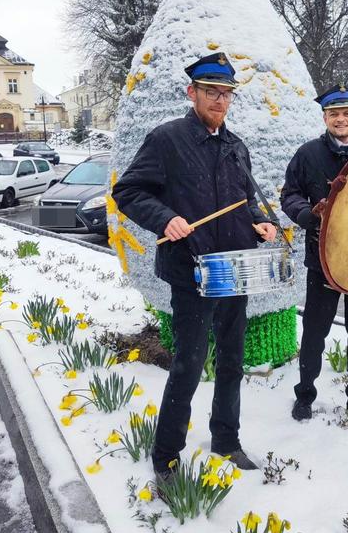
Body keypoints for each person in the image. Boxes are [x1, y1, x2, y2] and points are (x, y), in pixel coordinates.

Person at [112, 53, 278, 482]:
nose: (219, 101)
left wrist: (263, 222)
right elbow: (128, 191)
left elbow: (247, 200)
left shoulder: (235, 146)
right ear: (192, 93)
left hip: (233, 268)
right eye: (211, 92)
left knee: (232, 360)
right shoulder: (167, 140)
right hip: (191, 271)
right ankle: (166, 456)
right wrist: (164, 217)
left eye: (226, 94)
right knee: (189, 362)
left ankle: (226, 439)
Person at [280, 84, 348, 430]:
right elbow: (289, 195)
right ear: (325, 118)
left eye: (347, 113)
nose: (341, 119)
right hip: (322, 257)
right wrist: (309, 215)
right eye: (334, 114)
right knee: (314, 332)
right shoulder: (308, 155)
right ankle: (305, 394)